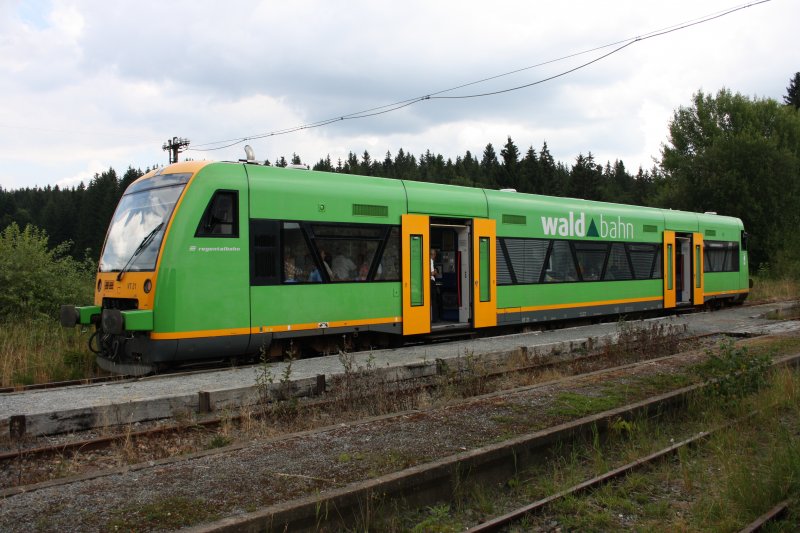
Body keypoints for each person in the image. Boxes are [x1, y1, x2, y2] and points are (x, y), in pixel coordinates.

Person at [430, 248, 441, 321]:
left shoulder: (431, 261)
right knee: (434, 300)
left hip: (431, 282)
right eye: (434, 254)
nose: (434, 256)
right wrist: (435, 272)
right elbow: (431, 273)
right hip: (431, 282)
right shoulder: (430, 261)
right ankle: (434, 318)